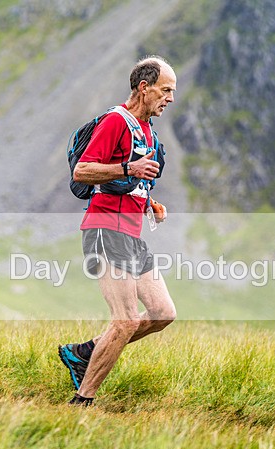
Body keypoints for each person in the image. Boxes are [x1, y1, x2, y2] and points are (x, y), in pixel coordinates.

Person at [57, 56, 178, 406]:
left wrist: (148, 203)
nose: (170, 98)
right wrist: (128, 166)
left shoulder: (148, 131)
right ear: (144, 87)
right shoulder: (115, 121)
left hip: (132, 234)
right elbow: (82, 172)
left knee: (162, 313)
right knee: (124, 321)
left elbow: (132, 181)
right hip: (104, 229)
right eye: (166, 90)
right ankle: (82, 402)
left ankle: (85, 352)